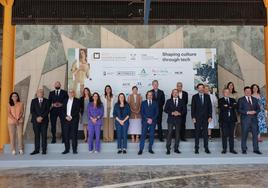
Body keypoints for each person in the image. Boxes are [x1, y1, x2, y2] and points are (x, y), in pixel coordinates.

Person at [238, 86, 262, 155]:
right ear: (244, 92)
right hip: (245, 120)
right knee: (244, 135)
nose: (248, 92)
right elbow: (239, 110)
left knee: (255, 135)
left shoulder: (255, 99)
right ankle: (244, 149)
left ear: (251, 91)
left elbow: (258, 109)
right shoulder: (241, 99)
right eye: (247, 91)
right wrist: (247, 112)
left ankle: (256, 149)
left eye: (249, 91)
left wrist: (255, 111)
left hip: (254, 120)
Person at [191, 83, 212, 154]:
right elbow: (192, 108)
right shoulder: (194, 97)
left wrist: (210, 116)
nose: (201, 89)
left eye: (202, 88)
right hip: (197, 118)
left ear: (203, 88)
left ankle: (206, 148)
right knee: (197, 133)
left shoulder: (207, 96)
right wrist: (193, 117)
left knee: (205, 134)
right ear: (197, 89)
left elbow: (210, 107)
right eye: (199, 88)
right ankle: (196, 148)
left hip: (206, 118)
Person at [164, 89, 186, 155]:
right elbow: (165, 110)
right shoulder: (168, 101)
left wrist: (179, 113)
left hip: (178, 120)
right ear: (172, 93)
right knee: (169, 133)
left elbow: (184, 110)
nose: (175, 94)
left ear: (178, 93)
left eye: (176, 92)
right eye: (174, 92)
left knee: (177, 134)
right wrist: (172, 112)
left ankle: (176, 148)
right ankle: (168, 148)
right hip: (170, 119)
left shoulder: (182, 101)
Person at [30, 89, 50, 155]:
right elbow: (32, 111)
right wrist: (37, 117)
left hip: (44, 121)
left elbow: (47, 110)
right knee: (37, 135)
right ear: (37, 93)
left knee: (44, 135)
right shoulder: (33, 101)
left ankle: (44, 150)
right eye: (39, 92)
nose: (40, 93)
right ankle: (36, 150)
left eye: (42, 92)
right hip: (35, 121)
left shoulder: (47, 101)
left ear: (43, 94)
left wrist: (41, 117)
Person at [138, 91, 159, 155]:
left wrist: (152, 119)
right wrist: (147, 119)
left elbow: (157, 112)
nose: (149, 96)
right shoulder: (143, 103)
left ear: (152, 96)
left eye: (151, 95)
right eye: (148, 95)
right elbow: (142, 112)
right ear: (146, 96)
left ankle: (150, 149)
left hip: (153, 121)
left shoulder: (155, 103)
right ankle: (141, 149)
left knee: (152, 135)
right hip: (145, 121)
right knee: (143, 135)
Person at [218, 88, 238, 154]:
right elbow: (222, 107)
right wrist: (231, 106)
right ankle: (224, 149)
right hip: (224, 120)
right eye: (225, 92)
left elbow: (235, 106)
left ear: (229, 93)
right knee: (224, 135)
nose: (227, 93)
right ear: (223, 93)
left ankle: (232, 149)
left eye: (228, 92)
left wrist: (228, 106)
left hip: (232, 120)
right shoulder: (220, 100)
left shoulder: (233, 99)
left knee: (231, 135)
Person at [62, 89, 81, 154]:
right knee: (66, 135)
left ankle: (74, 149)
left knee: (74, 135)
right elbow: (62, 110)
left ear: (74, 93)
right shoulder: (64, 100)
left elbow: (77, 110)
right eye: (69, 92)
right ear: (68, 93)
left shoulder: (77, 100)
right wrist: (66, 116)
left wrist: (71, 116)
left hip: (74, 120)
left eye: (72, 92)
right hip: (66, 120)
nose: (70, 93)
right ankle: (66, 149)